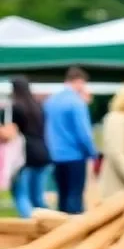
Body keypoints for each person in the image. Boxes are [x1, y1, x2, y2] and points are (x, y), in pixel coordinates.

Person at [43, 66, 96, 214]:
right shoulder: (77, 102)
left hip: (56, 154)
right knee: (75, 195)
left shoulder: (50, 101)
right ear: (78, 81)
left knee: (62, 195)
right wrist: (92, 153)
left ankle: (59, 229)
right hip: (75, 155)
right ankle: (75, 232)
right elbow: (84, 133)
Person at [4, 77, 49, 218]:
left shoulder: (15, 108)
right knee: (38, 198)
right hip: (42, 153)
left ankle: (29, 225)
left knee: (22, 195)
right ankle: (48, 225)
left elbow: (10, 133)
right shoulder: (38, 106)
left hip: (23, 156)